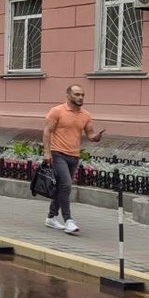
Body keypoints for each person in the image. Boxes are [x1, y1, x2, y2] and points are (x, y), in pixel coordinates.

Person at [42, 84, 105, 234]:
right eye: (77, 94)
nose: (80, 97)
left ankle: (51, 217)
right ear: (68, 95)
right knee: (66, 185)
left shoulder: (86, 115)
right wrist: (47, 153)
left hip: (74, 156)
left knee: (61, 187)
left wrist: (95, 138)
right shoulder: (57, 111)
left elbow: (89, 134)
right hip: (58, 154)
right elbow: (47, 131)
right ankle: (68, 220)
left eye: (82, 95)